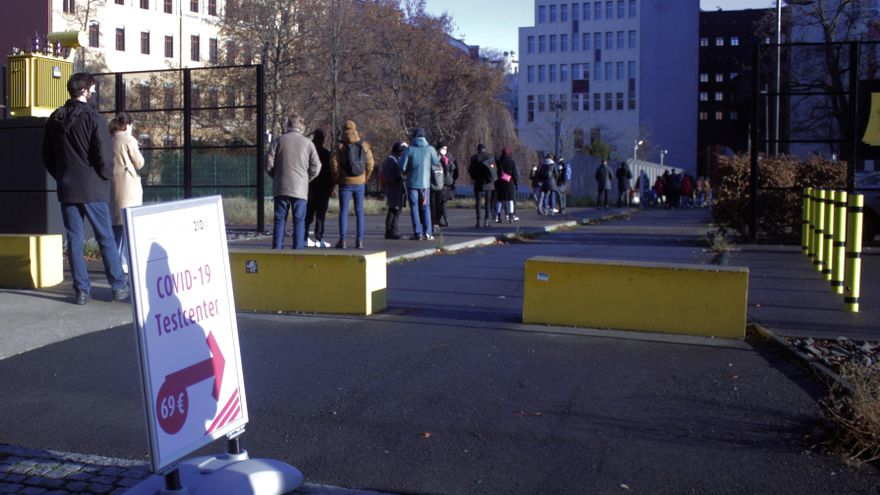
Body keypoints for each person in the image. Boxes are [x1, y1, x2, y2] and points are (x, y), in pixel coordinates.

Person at [42, 72, 129, 305]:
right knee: (105, 238)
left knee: (74, 240)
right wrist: (103, 176)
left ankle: (81, 290)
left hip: (67, 186)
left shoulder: (54, 119)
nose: (93, 92)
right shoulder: (93, 118)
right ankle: (118, 286)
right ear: (83, 90)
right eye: (91, 88)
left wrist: (62, 175)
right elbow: (103, 154)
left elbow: (47, 156)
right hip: (92, 187)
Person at [266, 113, 322, 250]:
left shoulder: (278, 141)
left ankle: (277, 249)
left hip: (281, 186)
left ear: (288, 125)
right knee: (299, 221)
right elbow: (316, 166)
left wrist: (277, 175)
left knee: (279, 220)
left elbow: (268, 163)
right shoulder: (308, 143)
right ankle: (298, 251)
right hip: (300, 188)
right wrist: (306, 179)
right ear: (301, 126)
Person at [109, 112, 145, 274]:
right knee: (126, 226)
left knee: (116, 227)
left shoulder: (109, 139)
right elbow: (139, 163)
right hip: (128, 186)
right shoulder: (128, 140)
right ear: (127, 125)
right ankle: (122, 262)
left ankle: (113, 261)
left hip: (113, 185)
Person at [331, 120, 375, 249]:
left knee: (343, 211)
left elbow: (334, 165)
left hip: (345, 182)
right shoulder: (364, 145)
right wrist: (365, 177)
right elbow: (371, 164)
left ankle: (342, 240)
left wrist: (337, 179)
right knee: (359, 211)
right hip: (360, 182)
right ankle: (359, 241)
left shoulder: (338, 146)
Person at [400, 128, 439, 240]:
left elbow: (402, 167)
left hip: (411, 183)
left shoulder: (409, 149)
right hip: (425, 184)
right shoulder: (430, 149)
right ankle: (428, 233)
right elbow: (436, 162)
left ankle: (417, 233)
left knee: (414, 208)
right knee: (426, 208)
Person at [306, 129, 333, 247]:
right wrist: (331, 186)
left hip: (311, 187)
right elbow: (331, 171)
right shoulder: (327, 154)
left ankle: (304, 236)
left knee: (308, 213)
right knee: (321, 215)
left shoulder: (309, 152)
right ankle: (319, 238)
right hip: (324, 188)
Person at [383, 141, 408, 239]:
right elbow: (387, 175)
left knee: (397, 210)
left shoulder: (398, 159)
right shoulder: (391, 160)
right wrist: (397, 178)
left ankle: (393, 229)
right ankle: (391, 230)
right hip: (393, 189)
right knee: (394, 209)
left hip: (398, 189)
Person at [468, 144, 497, 227]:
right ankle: (487, 220)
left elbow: (470, 170)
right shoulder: (491, 157)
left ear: (478, 149)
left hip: (478, 182)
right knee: (488, 202)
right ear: (485, 149)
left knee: (478, 202)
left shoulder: (474, 158)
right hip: (489, 183)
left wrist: (474, 177)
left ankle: (478, 221)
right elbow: (495, 170)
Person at [434, 141, 458, 228]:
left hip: (442, 182)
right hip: (448, 182)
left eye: (445, 148)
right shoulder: (450, 157)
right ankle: (442, 219)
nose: (444, 150)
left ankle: (441, 219)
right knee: (442, 202)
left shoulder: (437, 157)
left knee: (440, 202)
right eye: (443, 148)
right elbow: (456, 171)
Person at [495, 147, 520, 223]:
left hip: (500, 183)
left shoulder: (498, 162)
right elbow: (515, 174)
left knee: (499, 200)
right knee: (510, 200)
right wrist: (517, 183)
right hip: (509, 183)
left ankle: (498, 216)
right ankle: (511, 216)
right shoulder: (511, 162)